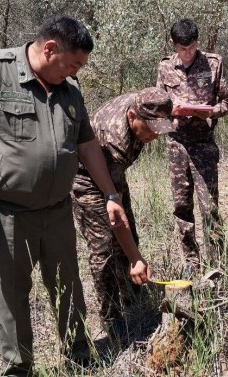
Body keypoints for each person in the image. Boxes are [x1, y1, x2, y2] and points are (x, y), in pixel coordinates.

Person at [0, 15, 128, 376]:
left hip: (58, 212)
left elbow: (88, 145)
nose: (76, 72)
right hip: (6, 215)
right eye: (73, 63)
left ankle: (78, 354)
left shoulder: (69, 91)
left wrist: (110, 194)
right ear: (49, 49)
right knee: (11, 297)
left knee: (69, 289)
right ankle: (18, 367)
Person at [72, 87, 176, 339]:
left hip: (111, 175)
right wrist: (135, 257)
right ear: (132, 117)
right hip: (85, 177)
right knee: (105, 247)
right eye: (150, 129)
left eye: (159, 129)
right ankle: (111, 317)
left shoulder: (147, 103)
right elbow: (115, 217)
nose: (154, 136)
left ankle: (133, 297)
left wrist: (132, 252)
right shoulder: (115, 140)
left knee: (130, 239)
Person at [156, 18, 228, 276]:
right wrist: (171, 111)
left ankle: (217, 261)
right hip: (176, 144)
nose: (187, 53)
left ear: (197, 42)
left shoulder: (213, 63)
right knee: (181, 206)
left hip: (203, 144)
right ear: (173, 44)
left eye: (191, 47)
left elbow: (227, 102)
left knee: (209, 205)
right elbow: (158, 106)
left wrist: (212, 112)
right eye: (182, 48)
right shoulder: (165, 67)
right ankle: (191, 260)